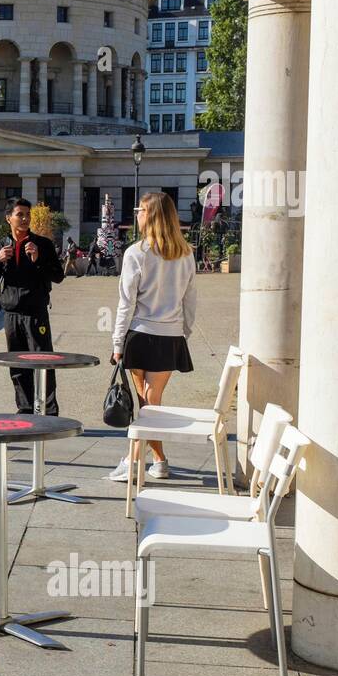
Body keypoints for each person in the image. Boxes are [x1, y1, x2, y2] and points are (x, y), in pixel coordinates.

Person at [108, 191, 197, 482]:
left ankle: (132, 460)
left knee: (147, 401)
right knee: (151, 400)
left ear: (152, 215)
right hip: (170, 335)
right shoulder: (186, 253)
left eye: (141, 209)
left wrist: (117, 342)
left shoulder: (136, 253)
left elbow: (126, 302)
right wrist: (184, 331)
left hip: (141, 333)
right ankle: (158, 460)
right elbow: (190, 300)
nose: (137, 214)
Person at [0, 197, 64, 414]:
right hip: (11, 315)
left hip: (36, 313)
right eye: (20, 215)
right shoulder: (1, 246)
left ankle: (49, 409)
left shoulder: (43, 244)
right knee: (17, 364)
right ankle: (25, 407)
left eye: (27, 214)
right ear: (8, 218)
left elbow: (58, 276)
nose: (25, 218)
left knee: (43, 360)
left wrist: (38, 259)